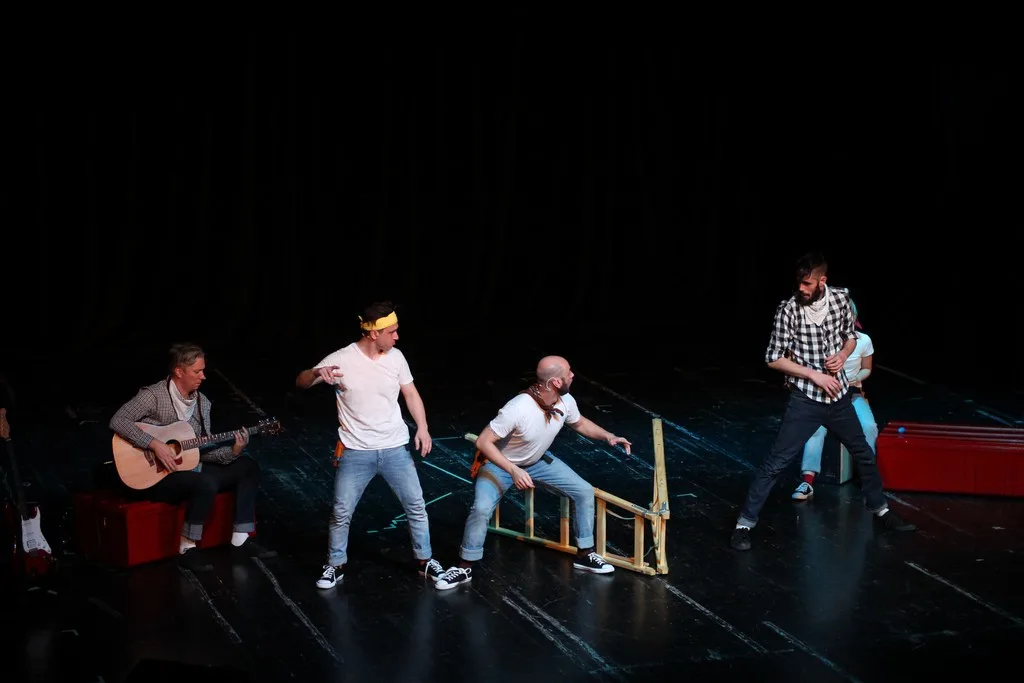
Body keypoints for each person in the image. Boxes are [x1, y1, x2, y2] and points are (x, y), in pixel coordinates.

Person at [731, 252, 915, 551]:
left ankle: (880, 509)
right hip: (806, 400)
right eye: (799, 282)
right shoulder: (789, 310)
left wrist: (843, 354)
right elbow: (773, 358)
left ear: (822, 281)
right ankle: (744, 524)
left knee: (863, 453)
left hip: (839, 398)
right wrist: (813, 375)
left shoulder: (840, 299)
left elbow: (850, 336)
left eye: (807, 283)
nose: (801, 288)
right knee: (776, 462)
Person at [434, 355, 632, 591]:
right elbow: (484, 441)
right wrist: (513, 470)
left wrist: (609, 436)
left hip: (537, 461)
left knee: (584, 491)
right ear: (555, 382)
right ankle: (465, 566)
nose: (572, 375)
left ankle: (585, 554)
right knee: (482, 508)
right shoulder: (518, 408)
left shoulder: (565, 400)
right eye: (568, 372)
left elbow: (579, 422)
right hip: (500, 464)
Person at [294, 301, 444, 589]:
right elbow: (301, 382)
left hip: (394, 448)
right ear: (374, 333)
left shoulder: (396, 358)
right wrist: (316, 373)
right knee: (341, 512)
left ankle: (425, 560)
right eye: (392, 331)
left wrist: (423, 428)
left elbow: (411, 394)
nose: (397, 336)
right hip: (355, 451)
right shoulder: (341, 359)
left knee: (416, 506)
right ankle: (335, 565)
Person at [109, 343, 276, 571]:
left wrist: (234, 450)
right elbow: (118, 420)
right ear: (179, 371)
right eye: (197, 371)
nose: (203, 376)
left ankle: (241, 537)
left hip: (186, 468)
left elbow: (202, 450)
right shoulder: (154, 396)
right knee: (205, 483)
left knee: (248, 466)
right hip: (155, 475)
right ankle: (187, 548)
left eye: (203, 370)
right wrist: (154, 444)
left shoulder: (201, 403)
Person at [792, 299, 877, 500]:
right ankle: (808, 480)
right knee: (815, 430)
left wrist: (858, 377)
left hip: (851, 395)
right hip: (824, 396)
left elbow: (867, 368)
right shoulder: (820, 339)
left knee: (869, 426)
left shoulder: (864, 340)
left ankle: (869, 477)